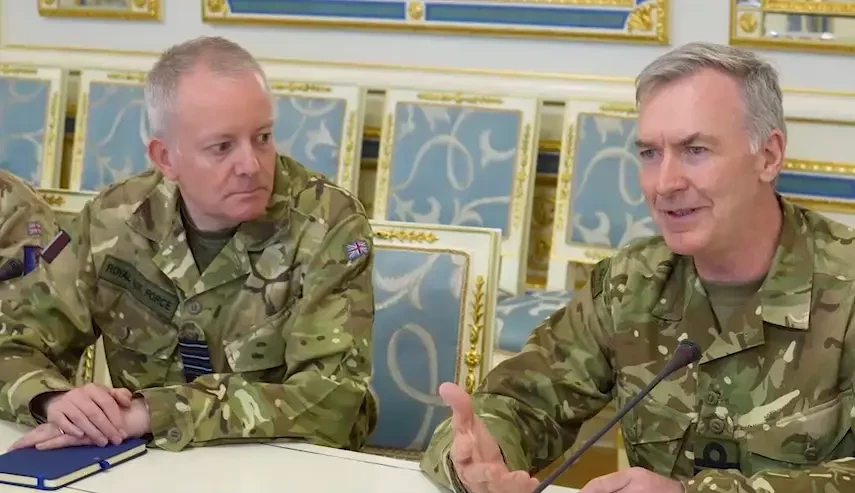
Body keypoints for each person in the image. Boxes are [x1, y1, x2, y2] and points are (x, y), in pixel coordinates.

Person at [420, 42, 855, 493]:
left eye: (695, 150)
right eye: (649, 154)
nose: (664, 183)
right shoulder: (631, 282)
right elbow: (521, 402)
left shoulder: (846, 286)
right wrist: (483, 452)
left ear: (768, 156)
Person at [0, 36, 377, 453]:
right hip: (146, 465)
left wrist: (150, 414)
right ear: (165, 158)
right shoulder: (114, 219)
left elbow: (333, 402)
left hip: (282, 464)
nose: (250, 165)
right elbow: (16, 343)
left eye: (263, 137)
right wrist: (54, 399)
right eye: (222, 147)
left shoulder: (328, 225)